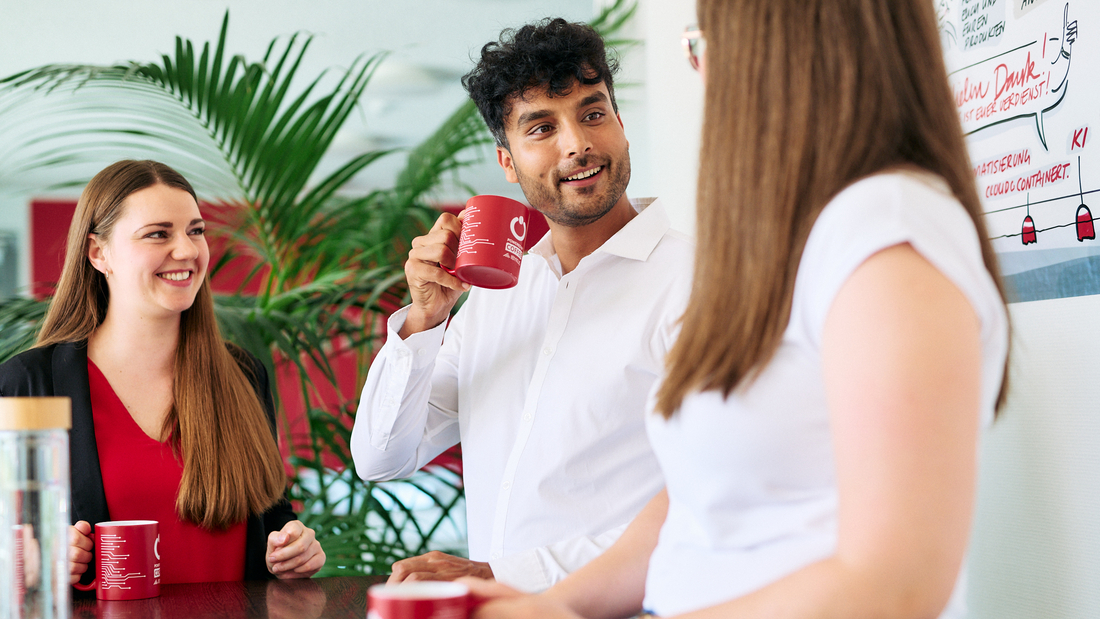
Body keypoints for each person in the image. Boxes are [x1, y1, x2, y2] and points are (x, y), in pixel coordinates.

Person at [463, 0, 1010, 617]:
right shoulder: (792, 235)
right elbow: (694, 507)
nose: (701, 71)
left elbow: (895, 583)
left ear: (782, 51)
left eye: (705, 41)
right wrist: (553, 606)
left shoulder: (886, 229)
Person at [350, 18, 693, 592]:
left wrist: (504, 574)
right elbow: (382, 457)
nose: (577, 143)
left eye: (592, 112)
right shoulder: (492, 299)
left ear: (620, 123)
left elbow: (707, 499)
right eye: (541, 127)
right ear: (507, 162)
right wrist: (424, 321)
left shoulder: (698, 284)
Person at [0, 160, 326, 584]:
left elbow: (272, 513)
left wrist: (293, 547)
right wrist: (35, 560)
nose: (188, 250)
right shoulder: (28, 384)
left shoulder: (242, 374)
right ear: (99, 253)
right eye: (158, 234)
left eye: (195, 231)